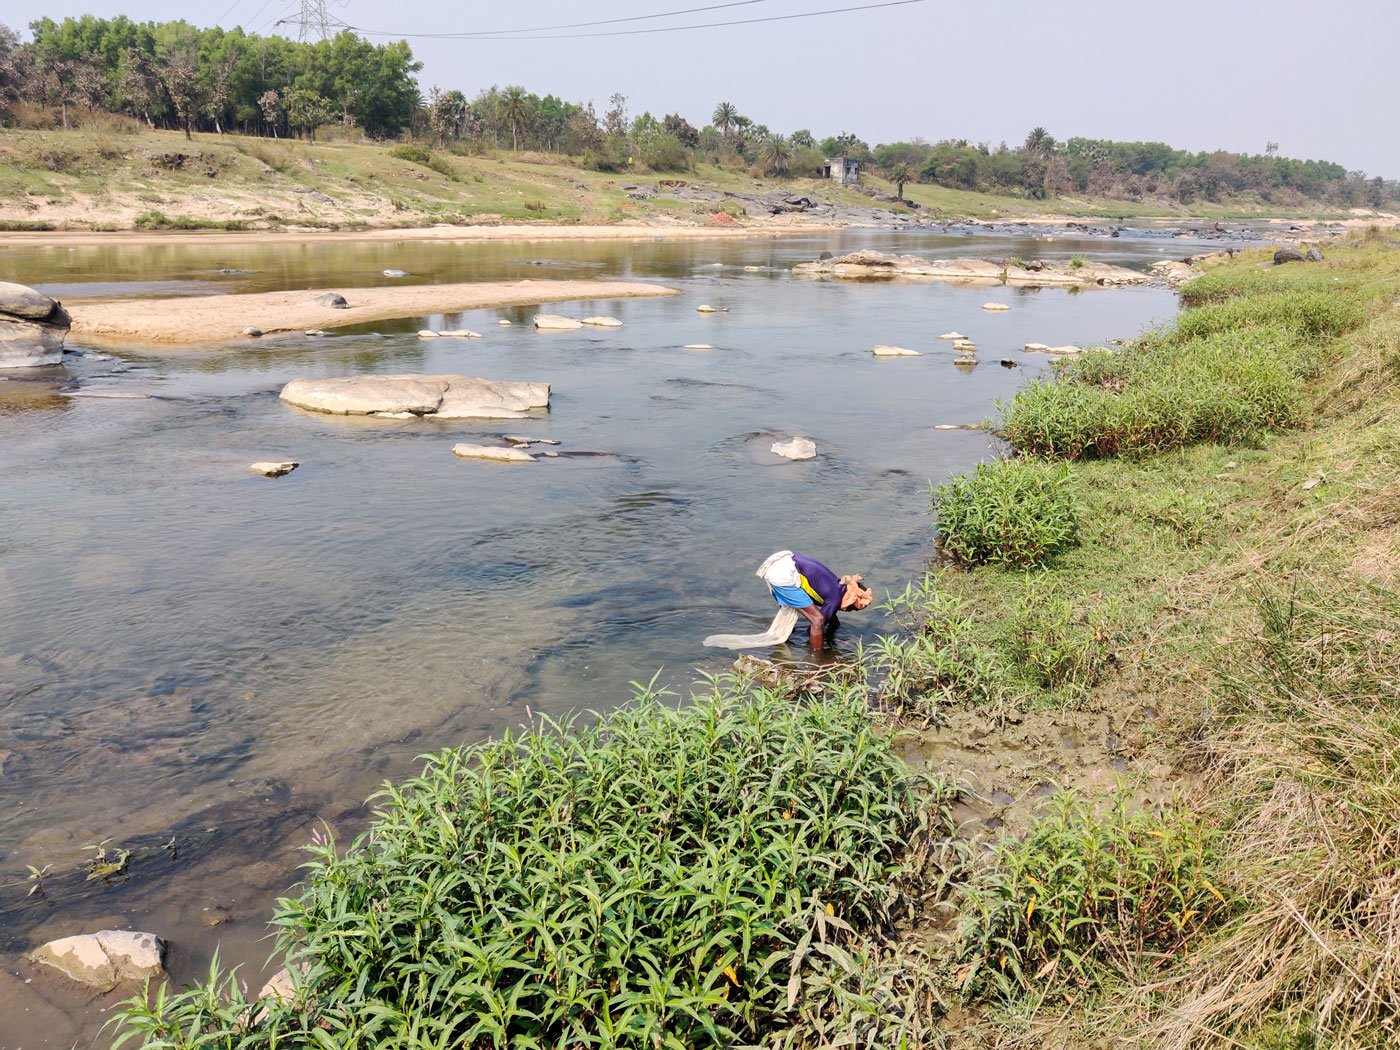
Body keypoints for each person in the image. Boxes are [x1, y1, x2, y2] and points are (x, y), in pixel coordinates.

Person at [757, 549, 872, 649]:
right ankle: (815, 658)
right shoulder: (835, 599)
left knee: (794, 618)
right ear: (850, 601)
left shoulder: (836, 588)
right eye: (852, 609)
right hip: (784, 574)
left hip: (784, 562)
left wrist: (835, 637)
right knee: (818, 619)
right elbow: (815, 625)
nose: (848, 611)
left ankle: (783, 641)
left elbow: (833, 621)